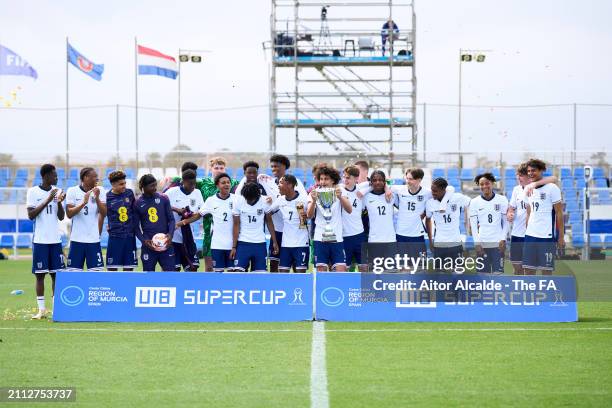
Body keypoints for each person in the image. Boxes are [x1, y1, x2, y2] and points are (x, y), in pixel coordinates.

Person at [165, 157, 239, 271]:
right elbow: (186, 179)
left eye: (221, 168)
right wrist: (172, 178)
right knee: (210, 267)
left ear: (225, 169)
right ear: (211, 169)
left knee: (232, 269)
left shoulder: (232, 183)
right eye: (216, 168)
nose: (219, 170)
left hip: (228, 230)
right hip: (208, 228)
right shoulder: (203, 182)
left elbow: (247, 185)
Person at [26, 164, 66, 319]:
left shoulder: (58, 191)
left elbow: (61, 217)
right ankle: (41, 310)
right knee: (40, 276)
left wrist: (59, 202)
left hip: (55, 241)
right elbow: (31, 215)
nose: (56, 178)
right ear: (45, 176)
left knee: (56, 275)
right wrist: (48, 199)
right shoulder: (33, 192)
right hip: (40, 240)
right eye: (54, 175)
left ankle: (56, 309)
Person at [507, 163, 558, 275]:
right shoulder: (516, 190)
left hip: (531, 235)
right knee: (517, 269)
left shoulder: (539, 187)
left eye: (521, 175)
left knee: (533, 269)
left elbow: (554, 178)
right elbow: (511, 208)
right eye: (517, 175)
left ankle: (537, 290)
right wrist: (510, 213)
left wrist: (535, 183)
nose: (518, 178)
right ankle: (521, 291)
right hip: (516, 234)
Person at [178, 173, 235, 272]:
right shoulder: (211, 200)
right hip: (217, 245)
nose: (227, 185)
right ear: (217, 185)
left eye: (228, 182)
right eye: (223, 183)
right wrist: (182, 222)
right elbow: (198, 215)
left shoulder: (237, 199)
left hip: (233, 245)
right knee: (217, 275)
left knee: (233, 274)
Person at [306, 166, 353, 272]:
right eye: (321, 179)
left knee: (341, 271)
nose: (323, 182)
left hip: (337, 239)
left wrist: (340, 197)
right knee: (321, 273)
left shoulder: (340, 191)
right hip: (320, 239)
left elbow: (349, 210)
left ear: (333, 180)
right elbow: (309, 215)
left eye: (326, 179)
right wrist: (313, 201)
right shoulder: (313, 193)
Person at [523, 159, 564, 275]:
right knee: (528, 271)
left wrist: (561, 237)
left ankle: (546, 294)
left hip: (546, 237)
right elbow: (528, 213)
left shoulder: (552, 188)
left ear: (541, 171)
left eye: (533, 170)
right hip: (530, 236)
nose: (530, 173)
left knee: (546, 272)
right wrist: (526, 232)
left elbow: (559, 214)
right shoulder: (527, 189)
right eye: (529, 171)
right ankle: (531, 293)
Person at [65, 167, 106, 271]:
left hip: (93, 240)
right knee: (74, 275)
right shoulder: (72, 191)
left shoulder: (100, 191)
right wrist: (84, 202)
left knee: (96, 275)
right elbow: (69, 214)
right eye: (94, 177)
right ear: (85, 178)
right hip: (77, 240)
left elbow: (104, 213)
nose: (97, 179)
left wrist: (97, 198)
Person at [425, 178, 471, 272]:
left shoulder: (457, 198)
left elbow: (471, 203)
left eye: (435, 191)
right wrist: (430, 241)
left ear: (443, 190)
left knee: (458, 272)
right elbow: (428, 219)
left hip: (455, 242)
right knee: (439, 273)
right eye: (432, 190)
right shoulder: (430, 203)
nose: (432, 193)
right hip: (439, 243)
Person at [231, 182, 278, 272]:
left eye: (251, 199)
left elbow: (269, 221)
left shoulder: (265, 201)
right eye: (247, 199)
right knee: (237, 273)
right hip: (243, 243)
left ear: (258, 196)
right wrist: (234, 247)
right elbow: (236, 225)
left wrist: (275, 242)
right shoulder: (238, 202)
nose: (249, 201)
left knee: (260, 276)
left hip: (259, 243)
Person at [468, 173, 509, 274]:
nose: (484, 186)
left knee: (498, 275)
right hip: (483, 243)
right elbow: (473, 225)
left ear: (492, 184)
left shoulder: (502, 199)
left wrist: (503, 238)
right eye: (482, 184)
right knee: (482, 275)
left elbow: (506, 221)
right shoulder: (474, 202)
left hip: (497, 243)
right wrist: (477, 243)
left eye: (487, 183)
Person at [134, 174, 176, 271]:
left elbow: (171, 220)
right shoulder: (137, 203)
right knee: (148, 276)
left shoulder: (163, 198)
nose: (155, 188)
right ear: (143, 187)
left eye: (155, 185)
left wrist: (170, 235)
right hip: (149, 245)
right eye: (151, 186)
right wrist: (144, 241)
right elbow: (136, 227)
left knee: (170, 274)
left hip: (166, 244)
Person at [165, 169, 205, 271]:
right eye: (190, 184)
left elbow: (200, 213)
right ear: (183, 181)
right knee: (173, 270)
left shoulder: (197, 193)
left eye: (194, 184)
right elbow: (160, 205)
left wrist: (186, 218)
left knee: (193, 268)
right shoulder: (171, 192)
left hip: (189, 239)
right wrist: (177, 210)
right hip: (172, 238)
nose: (192, 187)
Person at [271, 174, 310, 273]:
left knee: (300, 275)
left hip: (301, 243)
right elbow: (267, 213)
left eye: (281, 183)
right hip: (286, 244)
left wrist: (307, 216)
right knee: (283, 275)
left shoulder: (303, 199)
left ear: (289, 185)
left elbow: (308, 217)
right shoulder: (280, 200)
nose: (278, 186)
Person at [105, 171, 138, 271]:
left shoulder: (129, 193)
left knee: (128, 269)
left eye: (125, 183)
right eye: (121, 184)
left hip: (129, 236)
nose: (124, 186)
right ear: (113, 184)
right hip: (115, 236)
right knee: (112, 269)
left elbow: (135, 211)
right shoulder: (107, 197)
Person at [340, 165, 367, 272]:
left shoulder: (361, 190)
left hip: (359, 235)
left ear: (356, 179)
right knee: (343, 270)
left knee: (364, 268)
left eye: (348, 178)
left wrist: (365, 190)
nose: (345, 180)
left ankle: (366, 289)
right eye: (344, 177)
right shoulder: (339, 190)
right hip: (344, 236)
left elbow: (373, 183)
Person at [363, 170, 396, 243]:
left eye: (380, 180)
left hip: (390, 239)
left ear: (384, 181)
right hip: (374, 239)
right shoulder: (366, 197)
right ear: (371, 182)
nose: (377, 182)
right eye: (374, 180)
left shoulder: (392, 195)